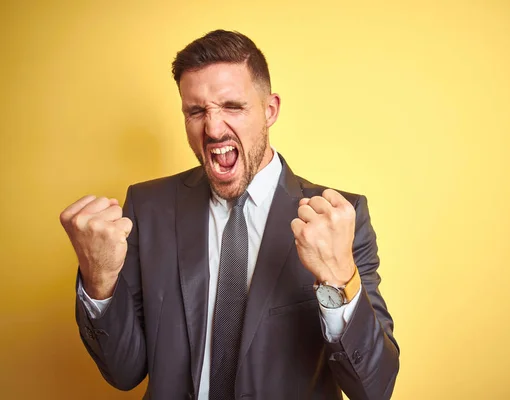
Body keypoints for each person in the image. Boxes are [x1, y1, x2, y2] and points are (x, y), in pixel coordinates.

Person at [59, 29, 399, 400]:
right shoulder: (148, 206)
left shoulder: (338, 219)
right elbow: (124, 371)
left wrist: (338, 280)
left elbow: (373, 389)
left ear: (270, 110)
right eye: (196, 111)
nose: (213, 128)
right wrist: (99, 280)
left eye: (232, 107)